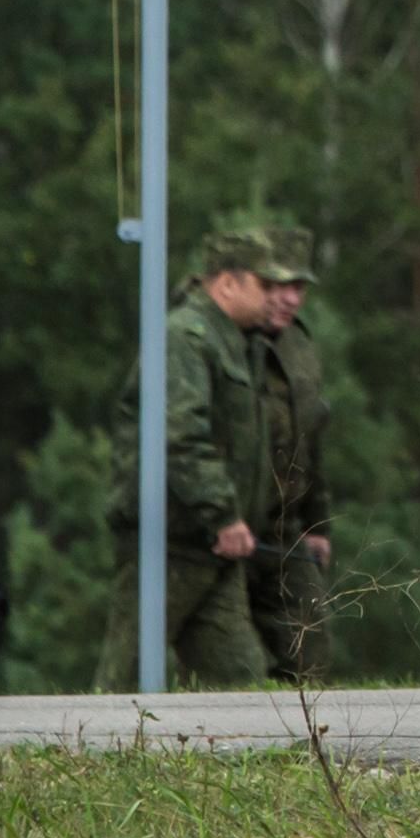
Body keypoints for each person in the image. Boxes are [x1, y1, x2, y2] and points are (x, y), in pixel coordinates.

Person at [138, 227, 277, 687]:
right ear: (227, 283)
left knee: (242, 681)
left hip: (213, 546)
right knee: (126, 673)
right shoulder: (187, 336)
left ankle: (246, 756)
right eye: (266, 285)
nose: (275, 297)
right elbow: (179, 433)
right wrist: (221, 512)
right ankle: (86, 753)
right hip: (170, 538)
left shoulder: (235, 340)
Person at [252, 223, 336, 684]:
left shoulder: (299, 346)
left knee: (311, 644)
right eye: (279, 284)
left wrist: (317, 525)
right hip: (225, 529)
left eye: (298, 286)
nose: (290, 298)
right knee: (230, 665)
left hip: (283, 533)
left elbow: (312, 441)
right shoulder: (219, 342)